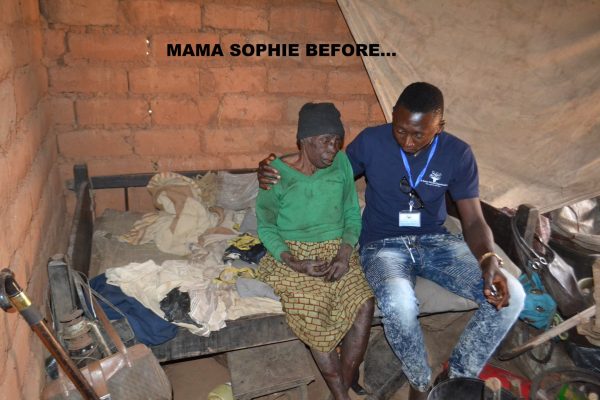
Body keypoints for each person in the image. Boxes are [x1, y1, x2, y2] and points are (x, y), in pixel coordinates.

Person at [258, 83, 525, 400]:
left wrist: (487, 259)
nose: (408, 142)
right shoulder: (371, 141)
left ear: (439, 127)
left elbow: (474, 220)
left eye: (419, 135)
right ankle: (420, 381)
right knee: (398, 304)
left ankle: (455, 377)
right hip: (383, 245)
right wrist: (273, 168)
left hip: (436, 242)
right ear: (393, 115)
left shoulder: (458, 154)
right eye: (400, 131)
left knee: (513, 295)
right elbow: (325, 169)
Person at [255, 103, 375, 400]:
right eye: (325, 141)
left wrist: (345, 254)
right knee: (313, 311)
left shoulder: (341, 163)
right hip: (294, 255)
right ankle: (342, 395)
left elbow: (351, 213)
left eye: (337, 141)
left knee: (364, 303)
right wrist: (294, 262)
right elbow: (266, 226)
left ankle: (341, 386)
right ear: (304, 141)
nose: (333, 148)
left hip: (338, 250)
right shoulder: (276, 174)